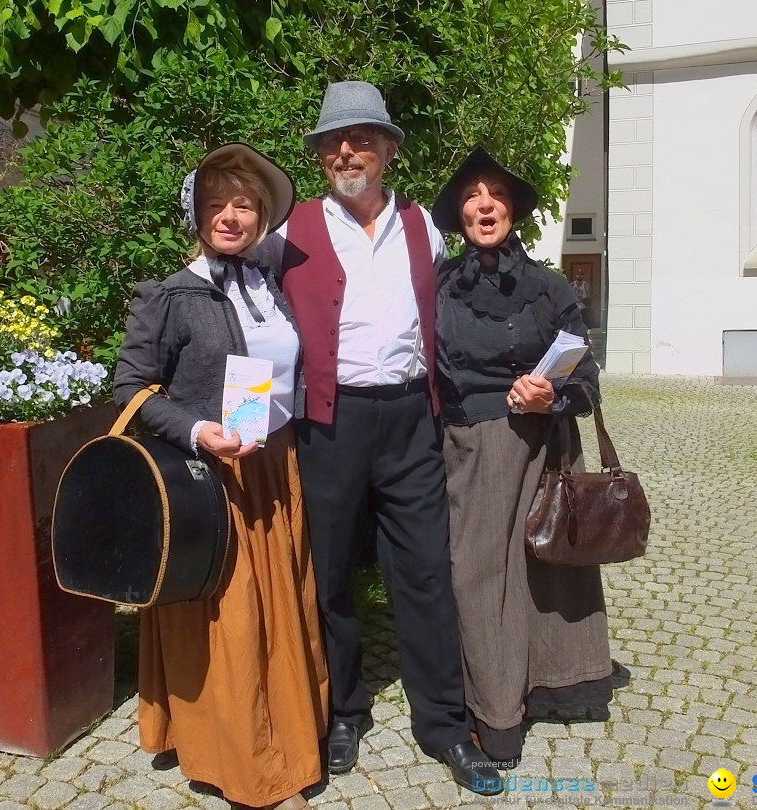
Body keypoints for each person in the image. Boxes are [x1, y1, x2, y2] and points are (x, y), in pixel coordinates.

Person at [257, 82, 501, 796]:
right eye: (333, 141)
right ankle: (343, 711)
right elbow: (248, 309)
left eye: (361, 138)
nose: (344, 151)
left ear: (388, 149)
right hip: (329, 423)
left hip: (409, 419)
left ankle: (445, 725)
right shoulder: (290, 230)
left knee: (425, 570)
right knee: (329, 573)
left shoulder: (426, 227)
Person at [114, 143, 329, 810]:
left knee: (280, 612)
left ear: (260, 215)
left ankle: (293, 734)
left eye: (243, 204)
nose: (230, 216)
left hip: (275, 465)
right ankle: (244, 764)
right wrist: (198, 430)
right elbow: (132, 388)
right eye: (216, 204)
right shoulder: (169, 296)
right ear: (194, 213)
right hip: (213, 480)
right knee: (232, 627)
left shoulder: (268, 285)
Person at [430, 146, 613, 768]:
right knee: (480, 575)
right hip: (475, 447)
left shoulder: (548, 286)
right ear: (460, 214)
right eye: (473, 197)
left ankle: (551, 684)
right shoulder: (439, 289)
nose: (486, 205)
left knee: (547, 565)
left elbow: (586, 370)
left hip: (547, 444)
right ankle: (496, 714)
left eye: (497, 195)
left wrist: (553, 392)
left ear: (513, 210)